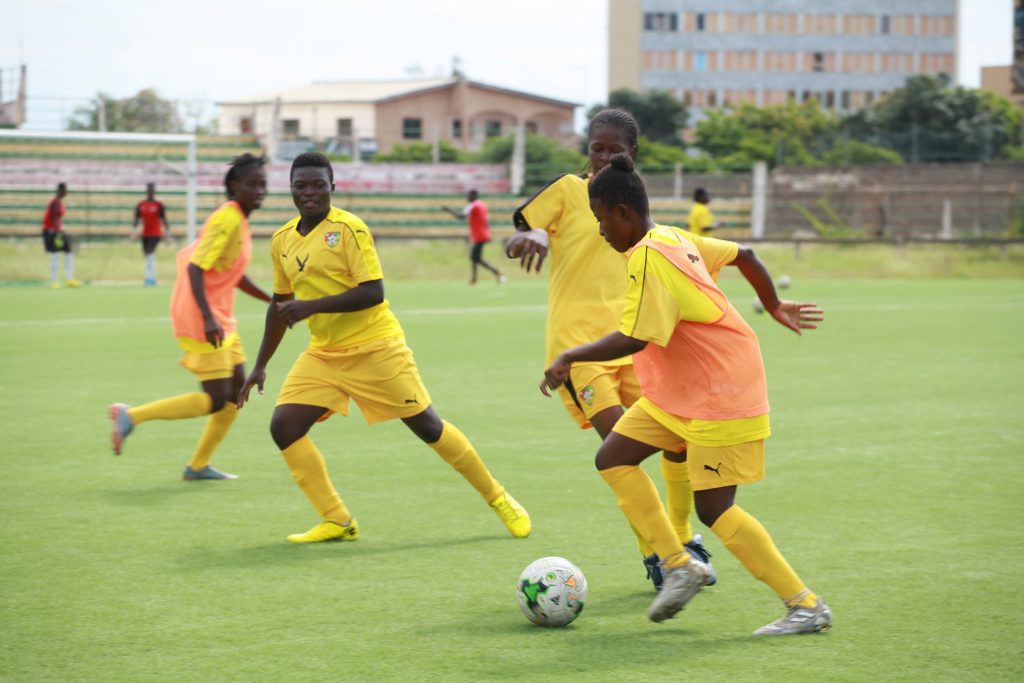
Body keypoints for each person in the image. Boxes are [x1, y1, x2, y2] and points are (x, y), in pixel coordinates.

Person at [506, 109, 808, 590]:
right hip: (582, 349)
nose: (603, 157)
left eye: (614, 150)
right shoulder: (569, 191)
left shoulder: (638, 217)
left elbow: (736, 257)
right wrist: (536, 232)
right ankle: (661, 555)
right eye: (596, 148)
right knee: (617, 450)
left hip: (637, 346)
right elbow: (529, 224)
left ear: (633, 156)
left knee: (675, 443)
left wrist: (770, 302)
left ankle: (683, 544)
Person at [541, 153, 829, 634]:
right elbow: (746, 256)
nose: (601, 231)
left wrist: (570, 355)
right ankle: (678, 565)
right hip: (684, 392)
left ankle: (806, 605)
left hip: (721, 390)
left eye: (601, 220)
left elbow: (636, 337)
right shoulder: (671, 236)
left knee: (715, 509)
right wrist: (772, 303)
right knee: (613, 457)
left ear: (623, 213)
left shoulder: (650, 255)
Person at [237, 152, 530, 543]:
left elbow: (373, 293)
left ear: (332, 188)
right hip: (324, 353)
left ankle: (499, 498)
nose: (309, 193)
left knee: (429, 427)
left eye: (318, 186)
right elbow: (280, 305)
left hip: (376, 346)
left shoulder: (349, 229)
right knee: (284, 426)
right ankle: (338, 521)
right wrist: (260, 365)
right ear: (289, 189)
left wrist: (309, 307)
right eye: (300, 186)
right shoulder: (282, 240)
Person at [108, 154, 272, 480]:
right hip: (204, 318)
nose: (260, 190)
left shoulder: (239, 220)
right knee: (215, 400)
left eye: (263, 184)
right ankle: (130, 417)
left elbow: (233, 274)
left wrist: (272, 300)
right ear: (232, 187)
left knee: (236, 393)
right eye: (252, 184)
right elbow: (197, 267)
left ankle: (198, 465)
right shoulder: (226, 220)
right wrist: (208, 317)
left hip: (221, 317)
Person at [441, 190, 505, 285]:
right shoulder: (482, 204)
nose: (467, 198)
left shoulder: (473, 205)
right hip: (481, 234)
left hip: (479, 235)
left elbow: (461, 216)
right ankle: (477, 278)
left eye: (468, 196)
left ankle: (496, 272)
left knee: (475, 258)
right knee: (475, 258)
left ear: (473, 196)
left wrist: (448, 210)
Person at [42, 182, 80, 288]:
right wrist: (57, 233)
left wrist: (60, 230)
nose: (66, 192)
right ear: (62, 191)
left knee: (69, 251)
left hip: (57, 231)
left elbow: (58, 219)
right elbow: (54, 218)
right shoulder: (55, 202)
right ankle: (54, 281)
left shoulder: (59, 202)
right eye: (65, 190)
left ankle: (70, 279)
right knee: (55, 254)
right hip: (51, 231)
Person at [133, 183, 170, 286]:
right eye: (149, 190)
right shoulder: (141, 204)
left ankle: (151, 277)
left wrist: (167, 232)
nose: (151, 192)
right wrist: (133, 230)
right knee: (147, 254)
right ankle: (149, 276)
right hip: (145, 233)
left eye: (152, 190)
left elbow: (164, 219)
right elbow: (137, 219)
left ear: (154, 191)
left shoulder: (159, 205)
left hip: (156, 233)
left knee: (150, 252)